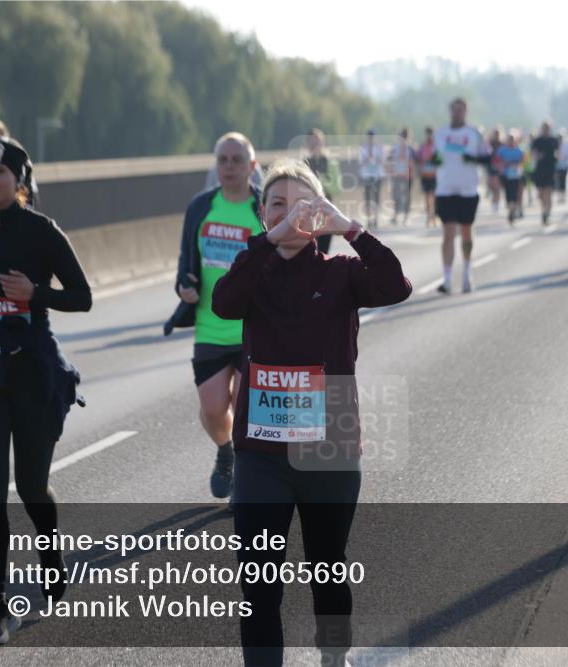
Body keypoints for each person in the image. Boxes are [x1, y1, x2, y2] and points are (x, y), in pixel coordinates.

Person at [211, 159, 411, 667]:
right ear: (261, 215)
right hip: (261, 455)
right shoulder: (253, 271)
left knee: (327, 569)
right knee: (259, 582)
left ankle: (333, 656)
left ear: (320, 214)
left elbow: (395, 286)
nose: (290, 213)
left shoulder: (342, 273)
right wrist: (266, 242)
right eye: (278, 204)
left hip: (331, 448)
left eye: (304, 204)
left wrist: (350, 228)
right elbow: (223, 303)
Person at [0, 137, 90, 645]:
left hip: (33, 371)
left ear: (20, 182)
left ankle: (49, 550)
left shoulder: (42, 231)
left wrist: (36, 295)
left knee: (30, 488)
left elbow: (83, 297)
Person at [165, 132, 264, 503]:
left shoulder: (263, 207)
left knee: (244, 408)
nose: (229, 167)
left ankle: (243, 479)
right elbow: (184, 262)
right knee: (212, 410)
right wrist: (184, 287)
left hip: (253, 328)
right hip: (209, 325)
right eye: (223, 160)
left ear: (253, 167)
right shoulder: (201, 206)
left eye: (237, 160)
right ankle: (226, 450)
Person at [433, 98, 489, 294]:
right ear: (450, 112)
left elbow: (487, 158)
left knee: (466, 232)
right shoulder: (441, 134)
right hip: (445, 189)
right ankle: (447, 279)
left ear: (466, 112)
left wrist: (471, 158)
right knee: (448, 233)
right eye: (454, 110)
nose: (457, 113)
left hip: (468, 190)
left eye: (461, 110)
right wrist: (436, 159)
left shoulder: (474, 134)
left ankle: (466, 273)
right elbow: (434, 157)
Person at [303, 128, 342, 253]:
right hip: (307, 214)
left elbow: (337, 188)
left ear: (322, 143)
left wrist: (320, 181)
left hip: (325, 215)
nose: (314, 145)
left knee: (323, 253)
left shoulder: (331, 163)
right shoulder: (304, 164)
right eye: (311, 142)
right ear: (307, 144)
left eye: (316, 142)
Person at [531, 121, 560, 224]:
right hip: (540, 169)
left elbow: (558, 152)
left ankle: (547, 213)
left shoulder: (553, 140)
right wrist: (538, 156)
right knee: (540, 193)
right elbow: (533, 152)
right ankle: (544, 208)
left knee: (548, 192)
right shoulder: (537, 140)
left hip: (550, 169)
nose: (546, 130)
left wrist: (556, 157)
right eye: (544, 128)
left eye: (547, 128)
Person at [387, 128, 415, 226]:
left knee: (407, 197)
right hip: (397, 175)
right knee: (396, 196)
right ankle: (395, 216)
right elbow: (390, 160)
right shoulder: (395, 148)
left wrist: (410, 175)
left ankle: (406, 217)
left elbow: (412, 163)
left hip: (406, 176)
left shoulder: (410, 149)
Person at [497, 131, 525, 224]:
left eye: (512, 139)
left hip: (516, 175)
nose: (510, 141)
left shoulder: (518, 150)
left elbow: (523, 161)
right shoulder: (502, 150)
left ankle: (512, 212)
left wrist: (514, 164)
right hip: (505, 175)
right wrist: (502, 164)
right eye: (509, 139)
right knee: (507, 193)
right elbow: (496, 160)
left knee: (514, 194)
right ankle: (511, 210)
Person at [358, 129, 385, 228]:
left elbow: (382, 161)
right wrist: (367, 158)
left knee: (376, 198)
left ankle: (376, 219)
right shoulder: (363, 148)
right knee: (368, 199)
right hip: (367, 176)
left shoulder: (379, 147)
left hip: (377, 175)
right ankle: (369, 219)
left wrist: (375, 158)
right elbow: (361, 162)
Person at [416, 126, 438, 226]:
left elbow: (439, 160)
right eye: (427, 134)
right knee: (427, 197)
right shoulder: (422, 147)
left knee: (433, 197)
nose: (429, 136)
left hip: (434, 175)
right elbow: (418, 159)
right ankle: (428, 217)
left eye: (430, 134)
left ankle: (433, 217)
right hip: (425, 175)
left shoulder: (436, 146)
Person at [486, 128, 504, 213]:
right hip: (491, 168)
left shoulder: (502, 144)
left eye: (498, 133)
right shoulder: (490, 143)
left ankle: (496, 204)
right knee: (492, 187)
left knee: (497, 188)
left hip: (499, 168)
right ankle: (494, 202)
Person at [554, 128, 568, 203]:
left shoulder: (566, 145)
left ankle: (563, 196)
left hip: (564, 166)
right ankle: (559, 196)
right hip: (557, 166)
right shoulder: (555, 146)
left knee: (563, 181)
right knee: (558, 181)